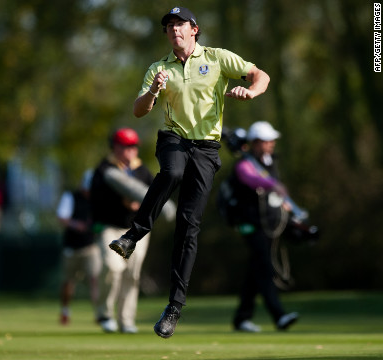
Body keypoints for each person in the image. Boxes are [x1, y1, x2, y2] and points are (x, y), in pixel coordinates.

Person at [107, 6, 271, 339]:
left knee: (188, 226)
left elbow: (261, 75)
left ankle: (173, 309)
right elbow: (138, 111)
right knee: (171, 172)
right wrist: (153, 90)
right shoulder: (158, 68)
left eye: (180, 25)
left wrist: (250, 91)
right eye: (169, 27)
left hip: (207, 149)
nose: (174, 30)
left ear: (194, 29)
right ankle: (132, 236)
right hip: (174, 139)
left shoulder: (218, 57)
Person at [226, 121, 299, 332]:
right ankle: (279, 316)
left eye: (272, 140)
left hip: (268, 223)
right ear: (255, 143)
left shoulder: (269, 162)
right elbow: (251, 179)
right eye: (267, 141)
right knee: (265, 267)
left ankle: (241, 318)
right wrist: (273, 186)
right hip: (250, 224)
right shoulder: (244, 164)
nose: (271, 144)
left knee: (255, 270)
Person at [91, 128, 154, 334]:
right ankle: (105, 314)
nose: (130, 151)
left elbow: (153, 195)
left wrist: (141, 206)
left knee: (132, 273)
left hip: (136, 229)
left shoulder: (142, 170)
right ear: (115, 147)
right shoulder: (104, 169)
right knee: (112, 268)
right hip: (111, 227)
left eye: (133, 146)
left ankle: (126, 320)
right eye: (126, 147)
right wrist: (123, 201)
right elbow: (95, 199)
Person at [55, 169, 101, 325]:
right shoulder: (71, 197)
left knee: (95, 279)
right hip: (71, 247)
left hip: (90, 246)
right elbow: (62, 217)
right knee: (68, 282)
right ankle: (65, 311)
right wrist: (76, 225)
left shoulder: (97, 200)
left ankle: (100, 313)